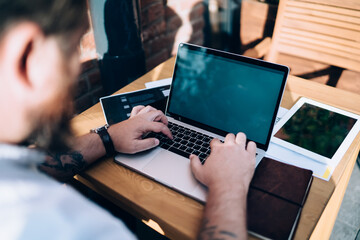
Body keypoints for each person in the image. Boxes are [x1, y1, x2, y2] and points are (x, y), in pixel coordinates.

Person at [0, 0, 256, 239]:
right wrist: (229, 186)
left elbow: (31, 166)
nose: (74, 71)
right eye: (73, 48)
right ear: (25, 56)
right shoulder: (69, 226)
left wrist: (107, 138)